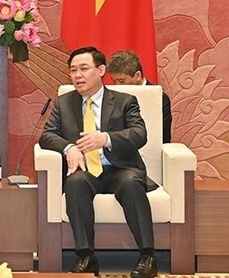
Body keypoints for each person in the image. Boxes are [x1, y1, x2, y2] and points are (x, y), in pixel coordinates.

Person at [39, 46, 158, 278]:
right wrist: (69, 147)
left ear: (101, 70)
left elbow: (139, 134)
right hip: (86, 169)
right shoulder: (64, 102)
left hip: (120, 167)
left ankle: (148, 256)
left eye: (84, 69)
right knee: (75, 183)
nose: (77, 75)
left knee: (132, 184)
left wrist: (106, 138)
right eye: (73, 70)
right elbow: (47, 135)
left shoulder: (125, 100)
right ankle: (86, 256)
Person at [107, 50, 172, 143]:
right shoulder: (111, 96)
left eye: (121, 81)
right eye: (114, 81)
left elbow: (164, 137)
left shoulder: (159, 98)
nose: (117, 86)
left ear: (137, 75)